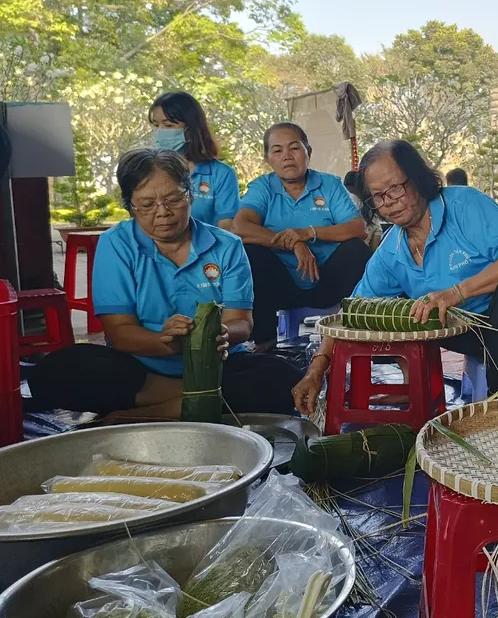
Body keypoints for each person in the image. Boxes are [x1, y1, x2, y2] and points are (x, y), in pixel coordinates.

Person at [27, 149, 301, 420]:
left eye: (174, 199)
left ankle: (140, 416)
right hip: (143, 371)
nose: (163, 213)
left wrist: (215, 334)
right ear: (129, 206)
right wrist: (167, 342)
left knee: (284, 378)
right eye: (146, 205)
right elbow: (120, 332)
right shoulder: (117, 243)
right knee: (54, 373)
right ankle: (196, 399)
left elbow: (241, 322)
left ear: (190, 193)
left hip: (218, 366)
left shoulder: (226, 245)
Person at [291, 140, 498, 415]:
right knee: (391, 313)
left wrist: (455, 293)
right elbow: (352, 312)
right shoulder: (392, 250)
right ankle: (418, 389)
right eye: (378, 196)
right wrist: (316, 370)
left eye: (395, 188)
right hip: (461, 332)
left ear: (418, 178)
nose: (389, 202)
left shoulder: (464, 205)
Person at [232, 123, 371, 345]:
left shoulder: (329, 185)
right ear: (268, 159)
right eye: (277, 150)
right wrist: (293, 243)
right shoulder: (263, 188)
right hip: (280, 287)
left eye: (294, 148)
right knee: (251, 253)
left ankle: (359, 336)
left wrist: (308, 233)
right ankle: (263, 342)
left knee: (356, 250)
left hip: (328, 283)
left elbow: (358, 228)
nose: (287, 156)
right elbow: (240, 227)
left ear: (308, 152)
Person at [149, 92, 239, 230]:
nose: (160, 132)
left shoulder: (221, 174)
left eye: (168, 126)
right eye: (156, 125)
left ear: (190, 129)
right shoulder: (148, 171)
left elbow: (226, 229)